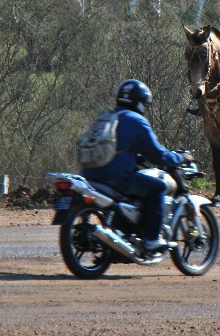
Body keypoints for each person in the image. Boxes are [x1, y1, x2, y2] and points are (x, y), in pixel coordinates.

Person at [81, 79, 193, 254]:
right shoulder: (136, 121)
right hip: (116, 177)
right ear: (140, 102)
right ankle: (151, 240)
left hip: (90, 175)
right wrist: (179, 158)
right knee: (157, 187)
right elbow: (158, 155)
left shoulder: (106, 116)